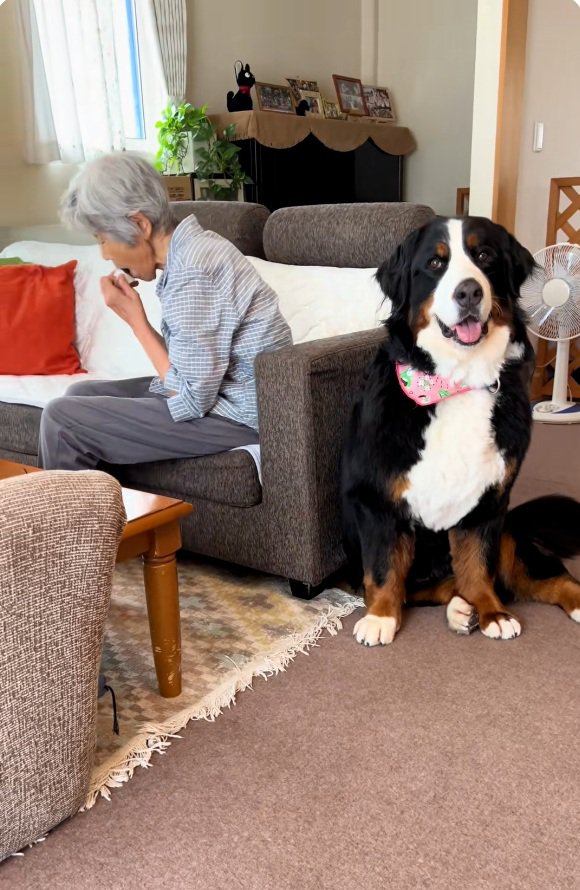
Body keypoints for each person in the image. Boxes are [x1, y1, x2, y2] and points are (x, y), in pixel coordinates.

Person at [38, 153, 292, 470]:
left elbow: (189, 398)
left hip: (238, 417)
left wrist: (136, 323)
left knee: (63, 419)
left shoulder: (194, 270)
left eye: (103, 240)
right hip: (217, 401)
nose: (104, 255)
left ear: (140, 224)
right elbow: (189, 373)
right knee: (78, 394)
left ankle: (73, 517)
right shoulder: (191, 251)